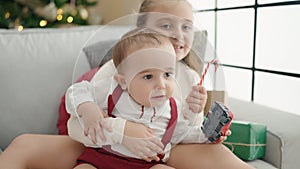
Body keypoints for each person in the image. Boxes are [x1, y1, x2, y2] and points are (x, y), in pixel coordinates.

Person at [0, 1, 255, 169]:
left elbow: (181, 133)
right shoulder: (114, 72)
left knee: (220, 156)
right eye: (166, 25)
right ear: (140, 30)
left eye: (186, 26)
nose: (178, 34)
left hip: (155, 153)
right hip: (102, 148)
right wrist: (123, 129)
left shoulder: (189, 78)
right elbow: (77, 123)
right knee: (24, 144)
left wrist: (204, 127)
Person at [68, 28, 210, 169]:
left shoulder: (173, 108)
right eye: (148, 76)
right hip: (101, 160)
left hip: (147, 165)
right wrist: (87, 107)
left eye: (167, 74)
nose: (161, 85)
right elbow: (77, 90)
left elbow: (185, 133)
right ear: (123, 81)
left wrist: (210, 135)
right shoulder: (112, 91)